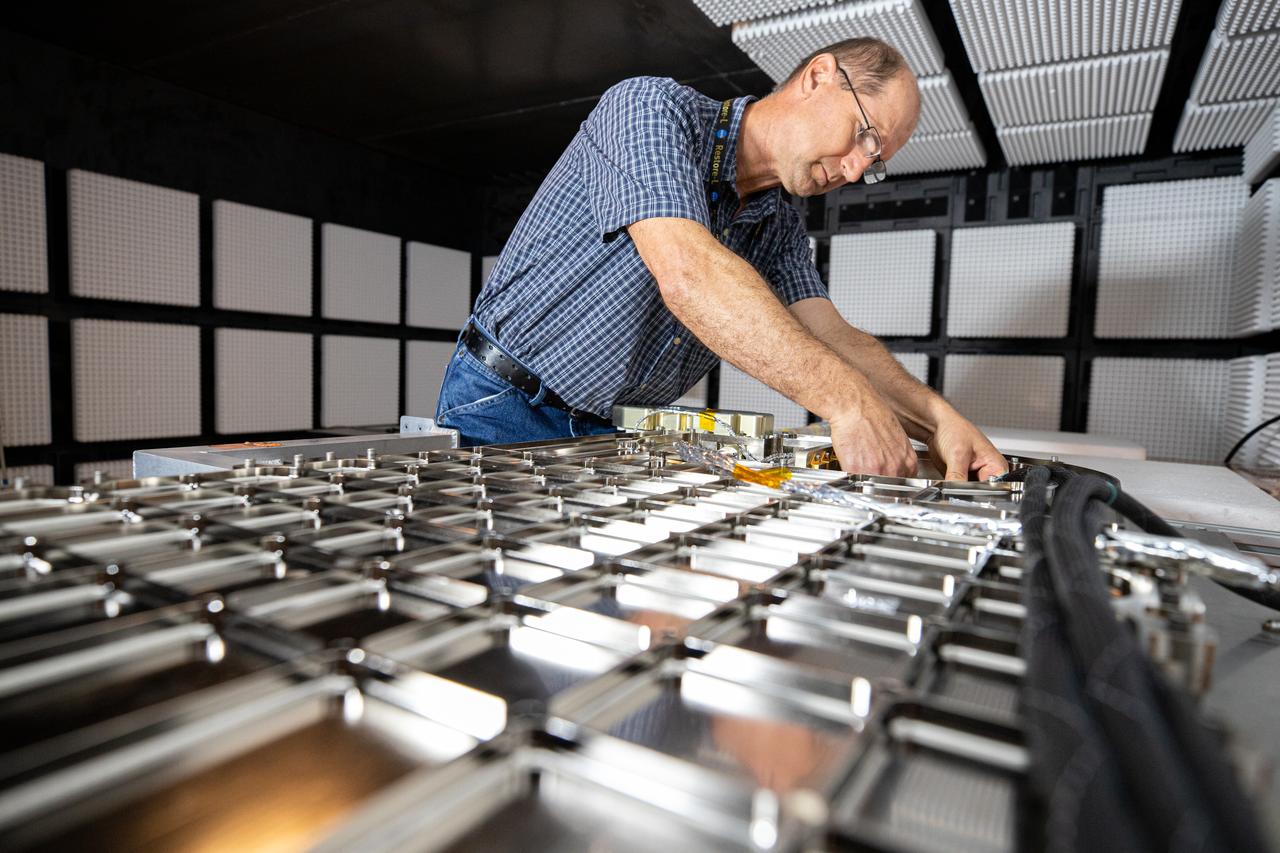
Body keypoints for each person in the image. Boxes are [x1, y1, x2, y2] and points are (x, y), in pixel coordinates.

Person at [435, 36, 1006, 480]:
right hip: (504, 404)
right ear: (819, 76)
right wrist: (846, 401)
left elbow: (833, 336)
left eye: (874, 160)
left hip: (608, 434)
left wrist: (938, 422)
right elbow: (689, 274)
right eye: (864, 135)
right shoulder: (650, 110)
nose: (856, 169)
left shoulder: (776, 223)